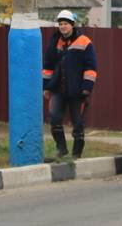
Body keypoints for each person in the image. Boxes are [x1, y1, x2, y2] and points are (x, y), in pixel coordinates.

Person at [42, 9, 97, 159]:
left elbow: (91, 68)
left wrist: (87, 88)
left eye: (65, 23)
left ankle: (77, 154)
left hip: (77, 90)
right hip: (58, 89)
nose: (63, 26)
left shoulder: (85, 42)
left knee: (77, 123)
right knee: (54, 118)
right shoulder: (55, 42)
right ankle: (61, 148)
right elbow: (47, 67)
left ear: (72, 25)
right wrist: (46, 87)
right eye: (60, 24)